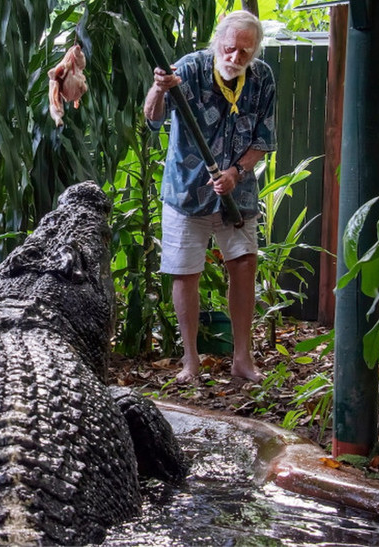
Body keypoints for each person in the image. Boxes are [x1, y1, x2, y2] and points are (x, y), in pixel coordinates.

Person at [143, 10, 276, 383]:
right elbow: (152, 118)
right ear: (217, 42)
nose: (235, 58)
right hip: (187, 192)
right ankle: (190, 362)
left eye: (245, 53)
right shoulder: (188, 69)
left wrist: (237, 172)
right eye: (230, 49)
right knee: (185, 273)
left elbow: (263, 140)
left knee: (244, 265)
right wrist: (159, 88)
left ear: (255, 52)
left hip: (237, 193)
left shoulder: (262, 78)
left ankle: (242, 360)